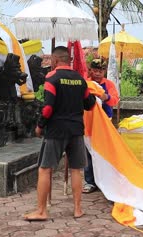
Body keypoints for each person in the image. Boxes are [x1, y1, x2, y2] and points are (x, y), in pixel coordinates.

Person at [23, 46, 96, 220]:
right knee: (76, 170)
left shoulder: (52, 78)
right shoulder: (80, 79)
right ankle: (78, 209)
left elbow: (48, 108)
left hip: (56, 131)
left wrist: (40, 126)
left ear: (55, 61)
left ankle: (41, 211)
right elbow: (90, 104)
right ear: (68, 60)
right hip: (77, 130)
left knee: (45, 169)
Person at [82, 58, 120, 193]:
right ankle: (90, 181)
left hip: (104, 124)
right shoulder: (85, 84)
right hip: (87, 124)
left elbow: (115, 100)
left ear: (104, 71)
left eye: (100, 71)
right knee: (88, 153)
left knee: (104, 153)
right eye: (95, 70)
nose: (98, 74)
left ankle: (105, 180)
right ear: (90, 70)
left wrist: (106, 97)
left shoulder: (108, 84)